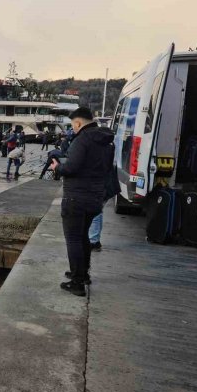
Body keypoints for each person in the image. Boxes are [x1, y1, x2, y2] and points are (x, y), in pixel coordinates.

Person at [49, 107, 114, 296]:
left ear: (78, 123)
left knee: (73, 239)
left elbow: (72, 168)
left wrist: (58, 167)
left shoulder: (82, 140)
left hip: (76, 197)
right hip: (95, 197)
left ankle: (77, 283)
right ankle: (83, 274)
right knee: (83, 236)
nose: (73, 128)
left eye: (73, 125)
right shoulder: (106, 140)